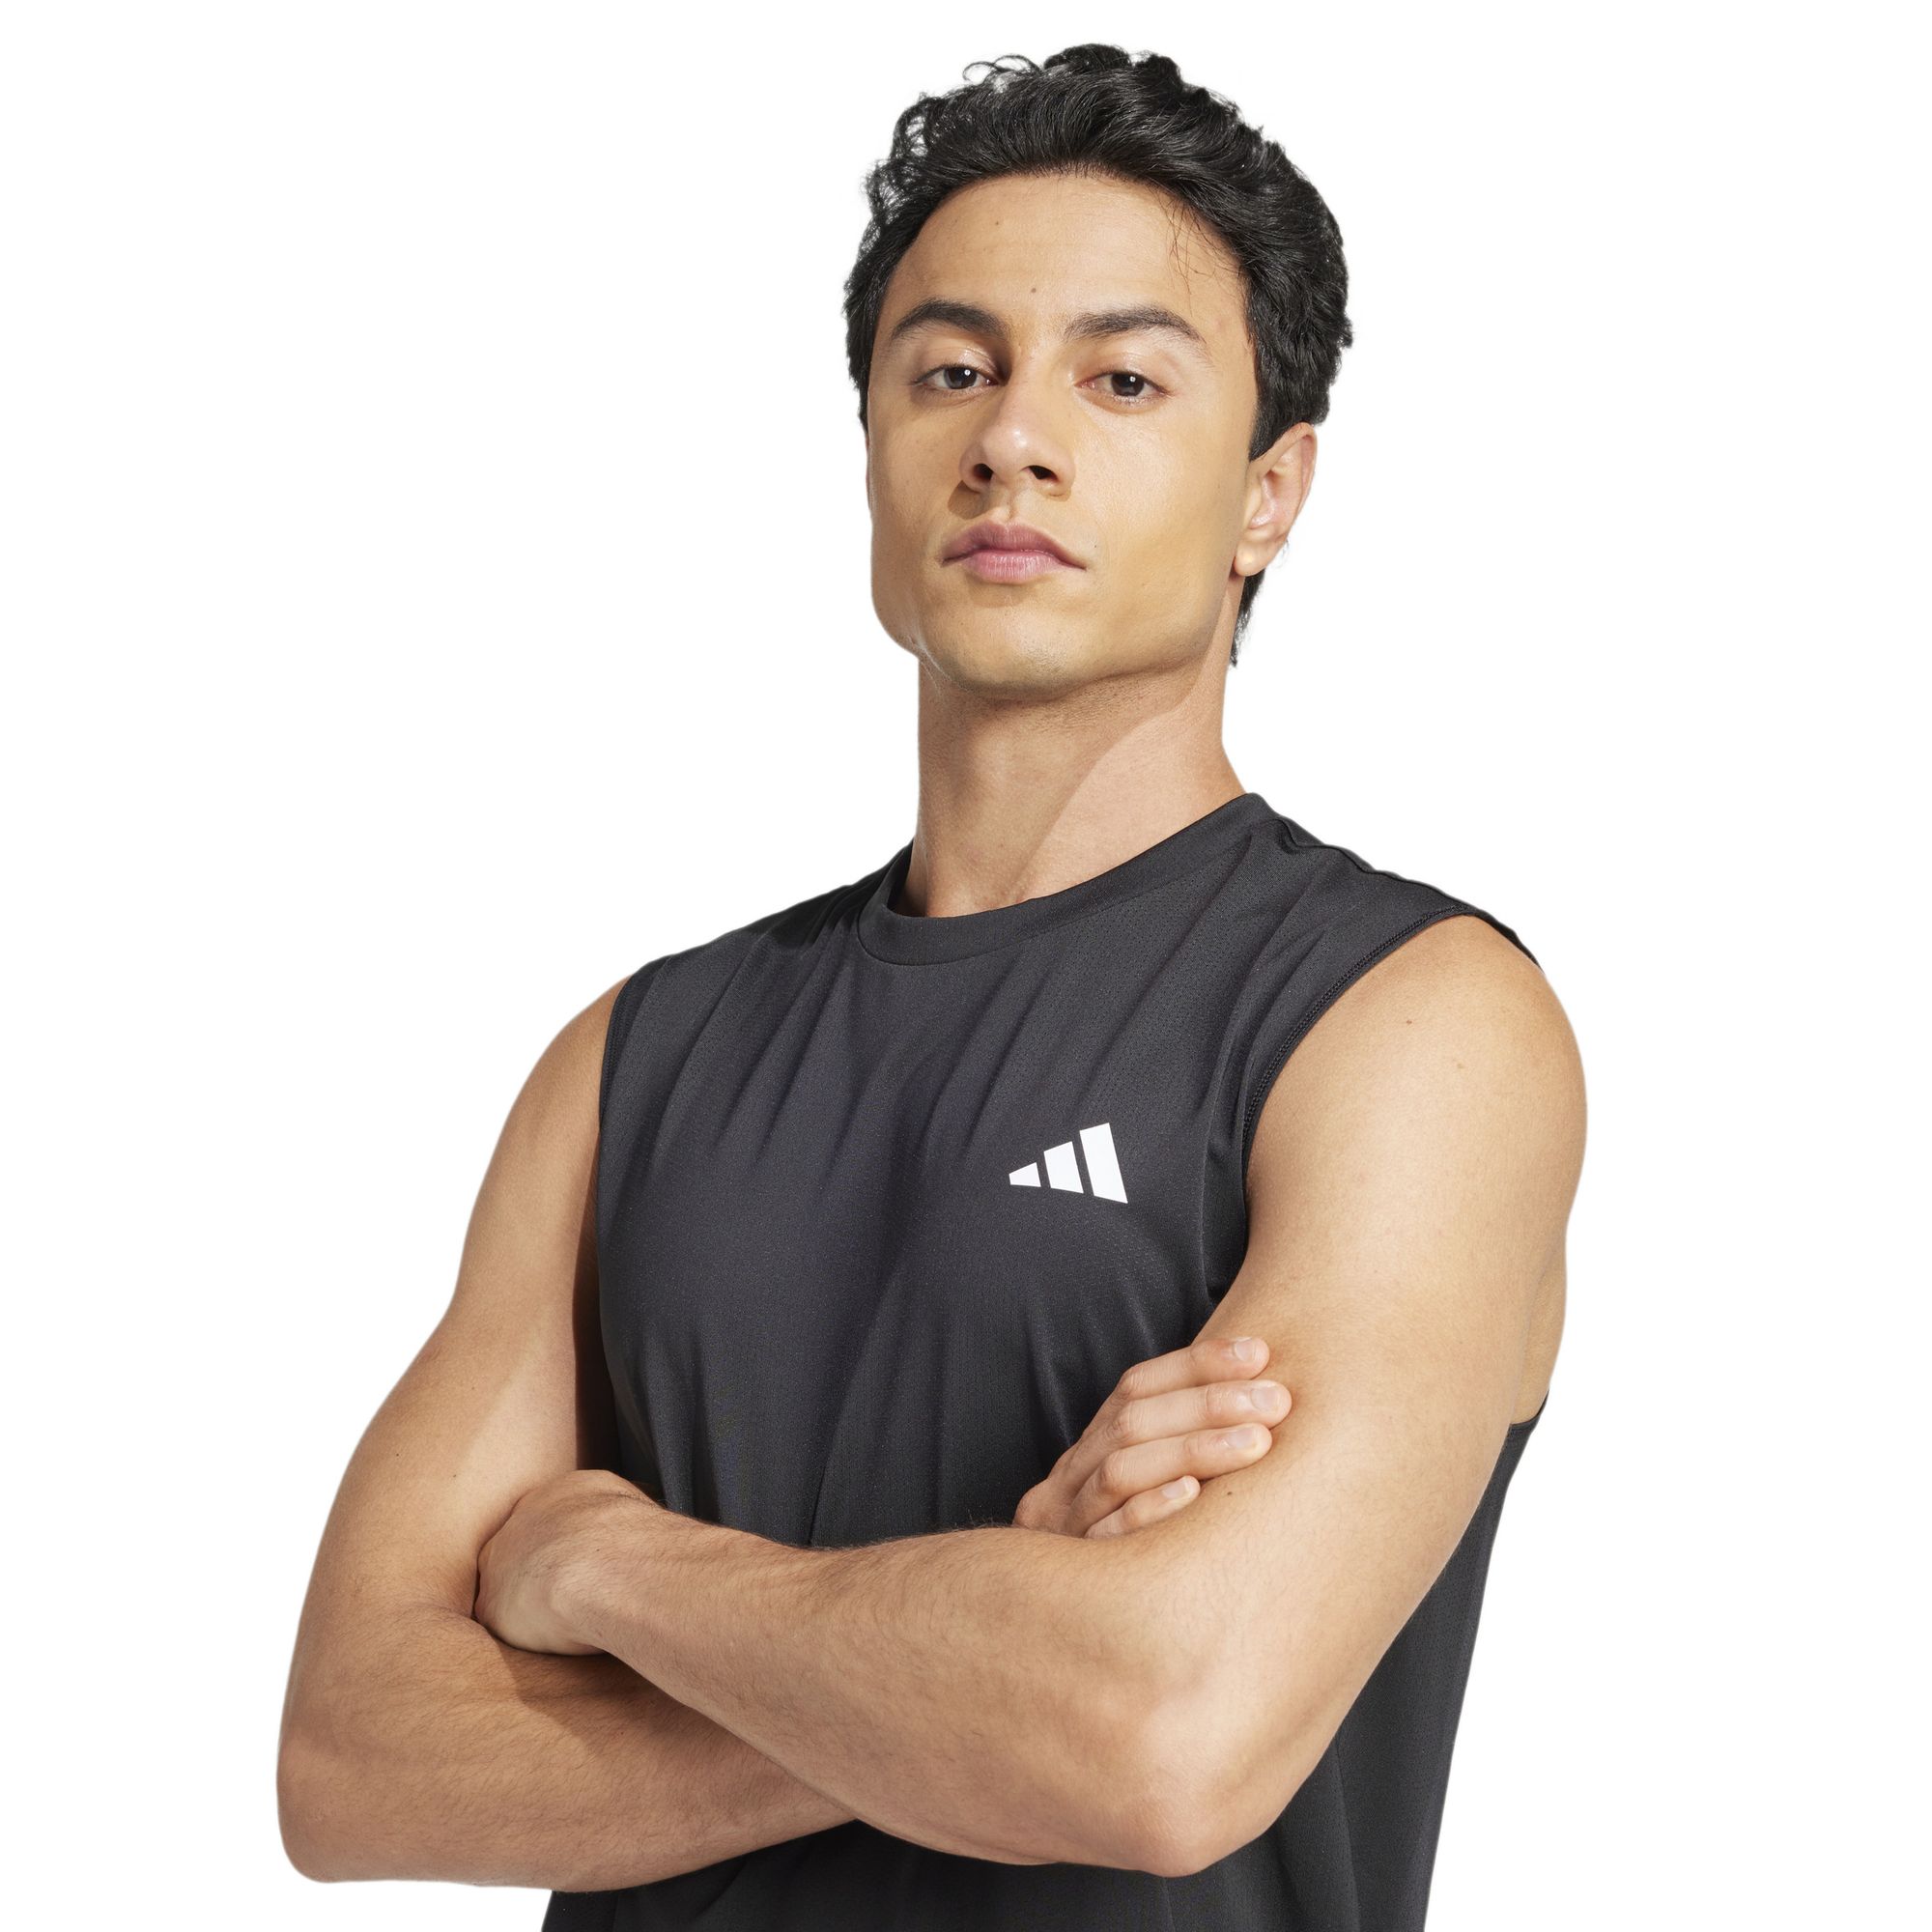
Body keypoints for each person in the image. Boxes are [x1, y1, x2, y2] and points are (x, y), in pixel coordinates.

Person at [278, 44, 1584, 1930]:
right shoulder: (635, 1058)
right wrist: (990, 1636)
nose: (1013, 439)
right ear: (878, 442)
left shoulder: (1407, 1024)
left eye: (1122, 380)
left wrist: (609, 1570)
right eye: (950, 370)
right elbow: (350, 1761)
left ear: (1268, 492)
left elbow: (1160, 1737)